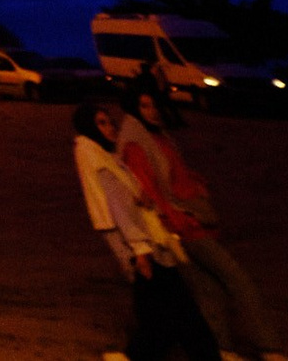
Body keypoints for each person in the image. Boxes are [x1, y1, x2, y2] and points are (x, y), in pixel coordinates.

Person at [118, 84, 288, 361]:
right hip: (182, 225)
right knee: (237, 279)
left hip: (191, 219)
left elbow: (174, 176)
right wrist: (178, 219)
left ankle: (224, 349)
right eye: (144, 106)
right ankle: (270, 348)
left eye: (154, 105)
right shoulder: (136, 144)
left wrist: (196, 183)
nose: (153, 112)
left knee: (209, 290)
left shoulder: (160, 138)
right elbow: (149, 188)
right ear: (133, 110)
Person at [75, 101, 219, 361]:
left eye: (109, 121)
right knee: (181, 312)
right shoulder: (102, 165)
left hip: (145, 248)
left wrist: (140, 197)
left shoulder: (108, 159)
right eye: (101, 123)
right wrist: (140, 250)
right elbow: (120, 212)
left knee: (161, 317)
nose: (110, 127)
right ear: (89, 128)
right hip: (145, 251)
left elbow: (126, 203)